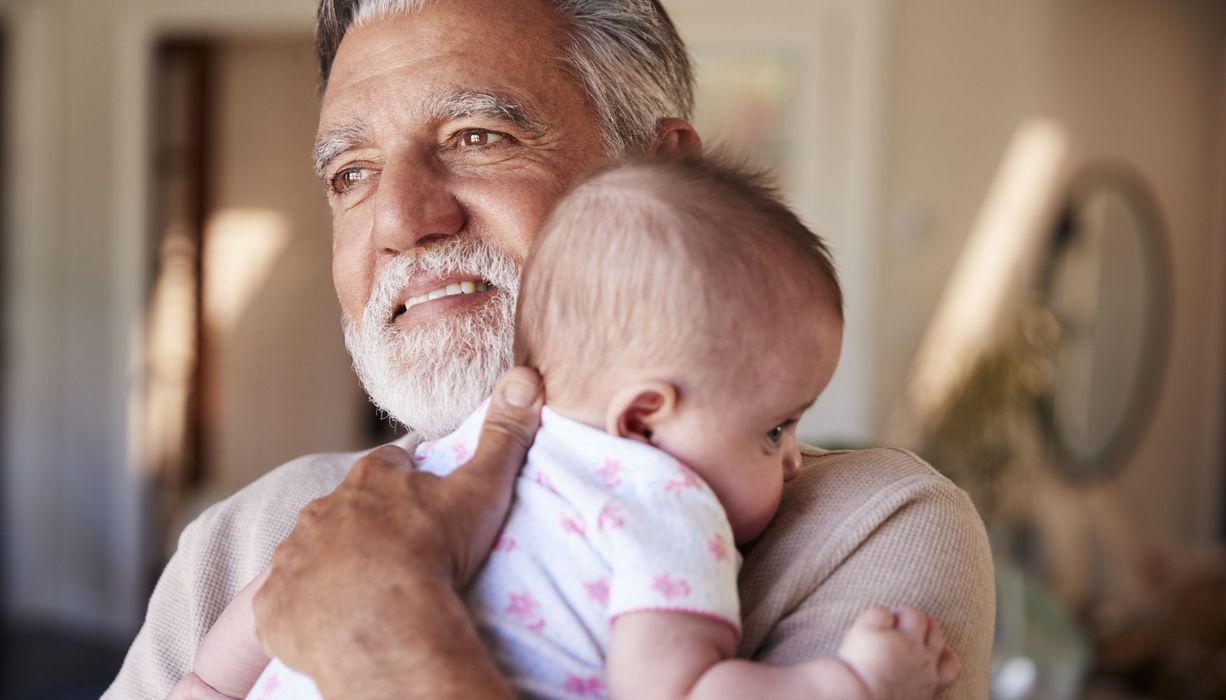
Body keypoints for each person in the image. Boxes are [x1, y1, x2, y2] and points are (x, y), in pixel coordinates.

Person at [106, 1, 995, 698]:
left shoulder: (865, 525)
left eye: (478, 137)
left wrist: (385, 631)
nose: (403, 222)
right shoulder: (249, 533)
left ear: (664, 171)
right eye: (352, 174)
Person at [171, 156, 961, 700]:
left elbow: (279, 591)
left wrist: (205, 687)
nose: (790, 463)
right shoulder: (669, 509)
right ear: (645, 418)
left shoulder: (463, 453)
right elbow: (676, 690)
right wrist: (846, 681)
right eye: (774, 429)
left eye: (482, 139)